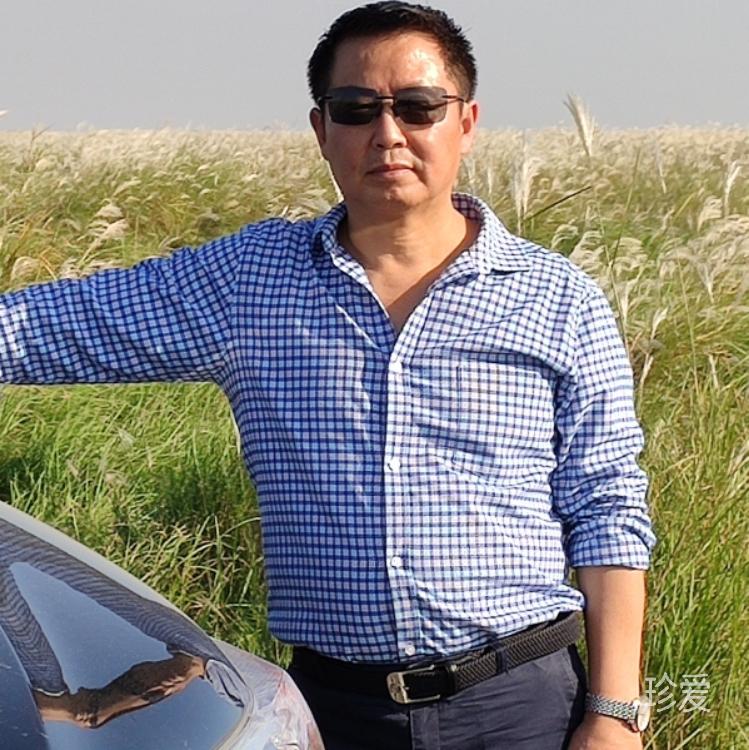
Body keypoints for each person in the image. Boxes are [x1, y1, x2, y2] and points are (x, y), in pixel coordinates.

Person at [0, 2, 656, 748]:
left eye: (418, 107)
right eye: (355, 109)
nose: (388, 133)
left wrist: (613, 713)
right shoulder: (250, 283)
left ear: (466, 122)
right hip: (333, 710)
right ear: (321, 129)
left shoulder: (556, 297)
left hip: (518, 703)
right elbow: (43, 328)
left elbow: (606, 505)